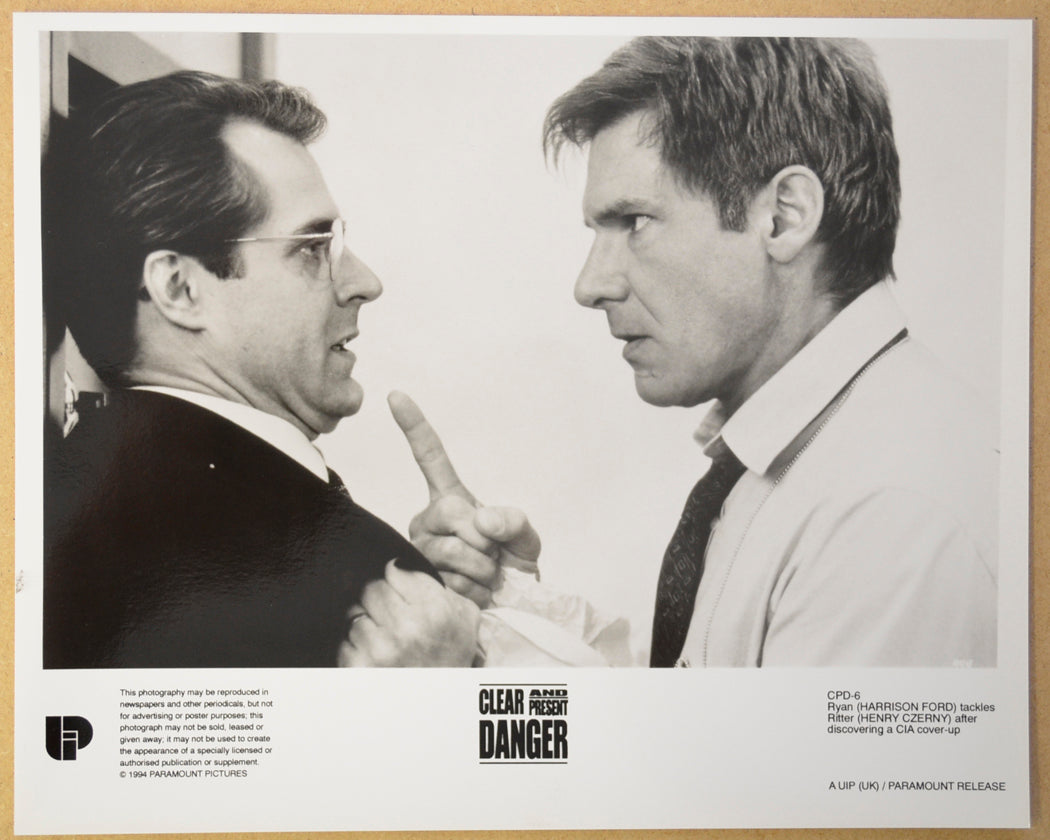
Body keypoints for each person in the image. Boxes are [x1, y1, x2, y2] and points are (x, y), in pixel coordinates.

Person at [405, 36, 997, 667]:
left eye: (635, 222)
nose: (590, 285)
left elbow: (736, 740)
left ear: (784, 217)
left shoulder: (888, 514)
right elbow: (704, 714)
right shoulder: (818, 459)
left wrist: (446, 677)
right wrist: (510, 604)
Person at [42, 71, 479, 668]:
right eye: (312, 248)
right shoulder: (293, 572)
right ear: (179, 288)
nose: (364, 282)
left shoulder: (77, 512)